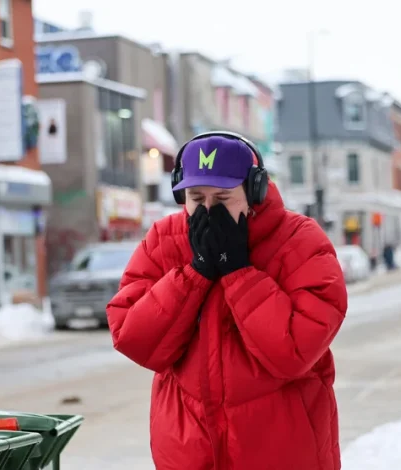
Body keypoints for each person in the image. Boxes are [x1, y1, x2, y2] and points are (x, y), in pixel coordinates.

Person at [106, 132, 348, 470]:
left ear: (255, 191)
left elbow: (294, 350)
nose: (208, 210)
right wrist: (195, 273)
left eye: (222, 198)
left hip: (282, 450)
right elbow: (134, 337)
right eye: (196, 197)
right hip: (187, 449)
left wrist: (239, 273)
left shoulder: (300, 242)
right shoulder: (163, 241)